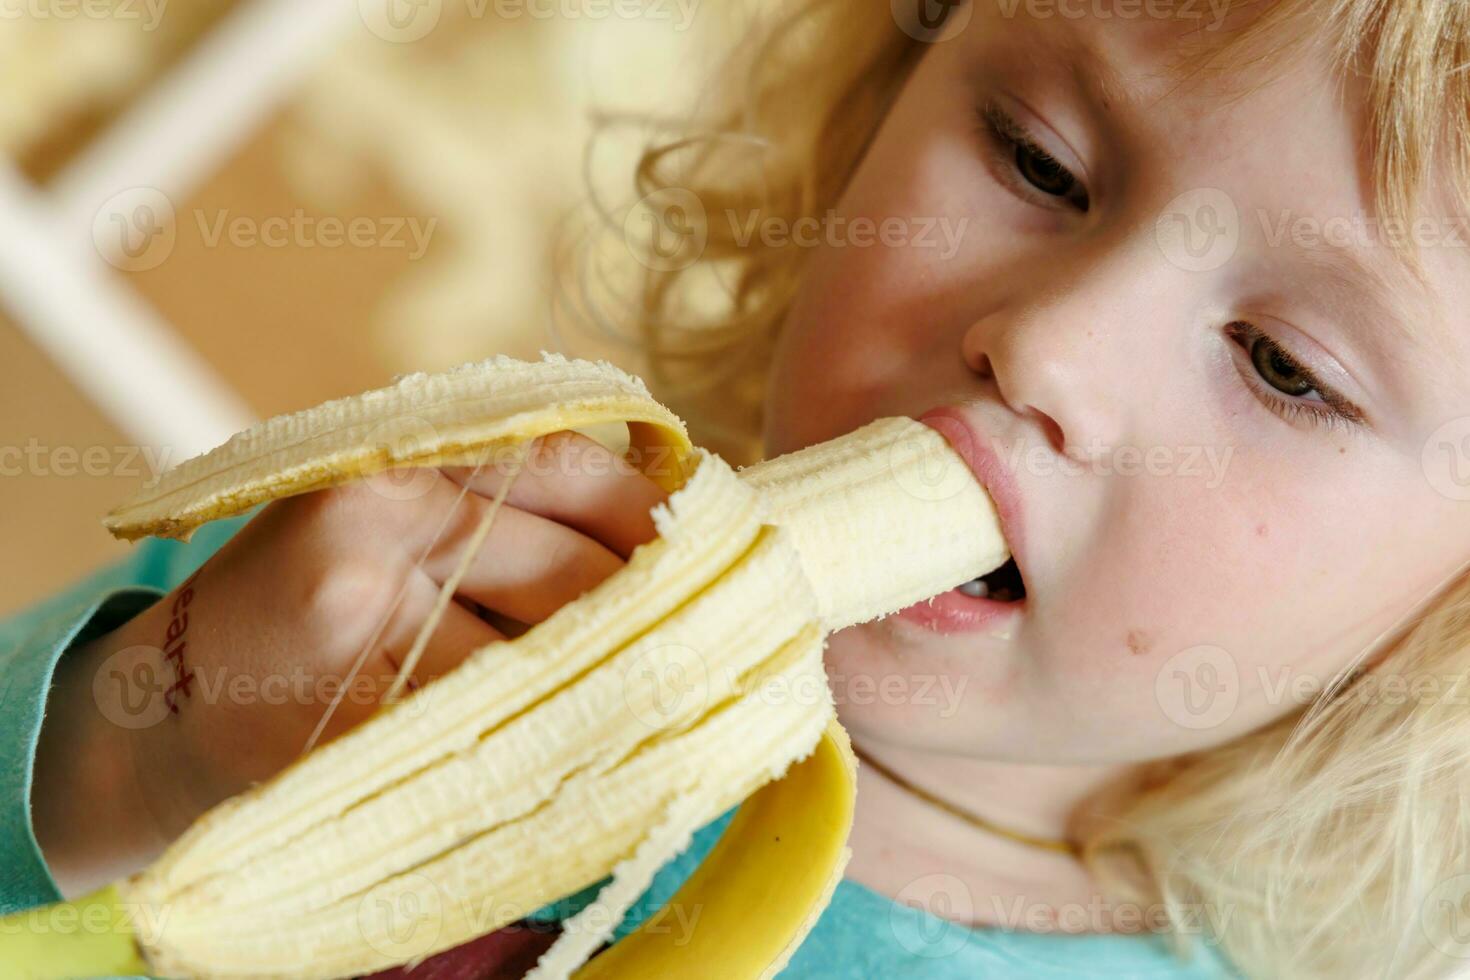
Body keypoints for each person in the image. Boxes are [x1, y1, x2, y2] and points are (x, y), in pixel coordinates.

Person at [6, 0, 1470, 975]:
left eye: (1284, 366)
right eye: (1036, 157)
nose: (1045, 349)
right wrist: (137, 760)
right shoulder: (385, 581)